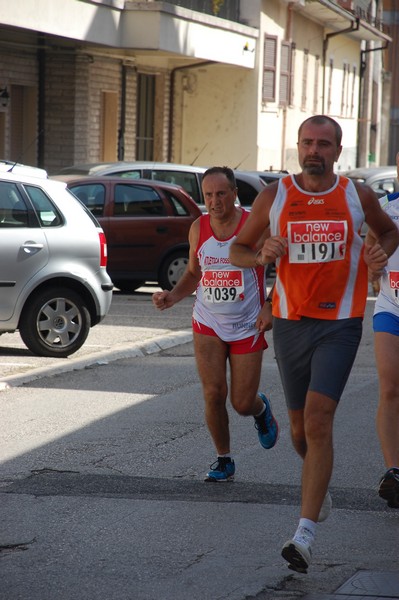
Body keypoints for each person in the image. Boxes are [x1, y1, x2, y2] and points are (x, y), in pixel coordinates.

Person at [229, 115, 399, 572]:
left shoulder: (356, 196)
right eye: (307, 142)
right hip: (289, 323)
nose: (314, 151)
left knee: (321, 421)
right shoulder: (275, 196)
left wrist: (380, 253)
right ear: (297, 147)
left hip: (340, 324)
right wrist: (260, 254)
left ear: (337, 152)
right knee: (302, 433)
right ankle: (316, 487)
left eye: (324, 144)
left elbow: (387, 231)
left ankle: (303, 535)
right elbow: (237, 251)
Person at [152, 166, 278, 482]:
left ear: (234, 194)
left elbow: (286, 269)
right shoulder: (199, 228)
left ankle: (260, 409)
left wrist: (270, 305)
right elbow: (195, 272)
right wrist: (173, 296)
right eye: (208, 195)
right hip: (207, 320)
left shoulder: (255, 226)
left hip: (249, 322)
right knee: (212, 392)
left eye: (221, 193)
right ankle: (224, 459)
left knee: (241, 401)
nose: (214, 201)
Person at [366, 150, 399, 509]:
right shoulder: (385, 206)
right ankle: (395, 471)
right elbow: (369, 250)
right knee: (390, 387)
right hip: (391, 306)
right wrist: (373, 266)